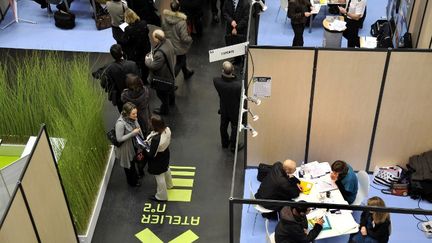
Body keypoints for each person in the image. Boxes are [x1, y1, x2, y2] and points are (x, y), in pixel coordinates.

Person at [145, 29, 177, 115]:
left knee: (162, 94)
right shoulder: (168, 42)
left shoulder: (159, 53)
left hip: (162, 76)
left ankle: (165, 110)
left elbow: (154, 66)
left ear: (157, 39)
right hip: (169, 72)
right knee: (169, 91)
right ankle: (172, 102)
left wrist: (147, 60)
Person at [213, 61, 241, 152]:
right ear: (233, 70)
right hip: (234, 110)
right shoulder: (238, 85)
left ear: (222, 71)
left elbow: (220, 78)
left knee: (223, 126)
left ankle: (224, 143)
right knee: (234, 127)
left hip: (224, 108)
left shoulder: (216, 81)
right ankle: (233, 146)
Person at [162, 1, 194, 79]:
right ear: (179, 8)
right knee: (180, 62)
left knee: (181, 59)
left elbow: (164, 31)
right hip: (179, 46)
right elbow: (184, 38)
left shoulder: (165, 19)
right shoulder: (182, 22)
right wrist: (190, 39)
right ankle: (170, 80)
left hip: (170, 44)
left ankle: (186, 73)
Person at [145, 115, 173, 202]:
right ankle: (169, 184)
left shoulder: (156, 139)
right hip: (165, 154)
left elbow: (151, 155)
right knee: (166, 168)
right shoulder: (167, 129)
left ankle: (161, 196)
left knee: (159, 177)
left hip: (157, 160)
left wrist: (144, 149)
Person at [115, 102, 144, 187]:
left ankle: (137, 175)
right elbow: (119, 139)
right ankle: (132, 182)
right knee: (129, 167)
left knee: (136, 160)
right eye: (133, 114)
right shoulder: (120, 124)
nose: (136, 115)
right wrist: (132, 133)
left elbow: (138, 128)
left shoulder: (133, 118)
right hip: (126, 148)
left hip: (134, 144)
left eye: (136, 113)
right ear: (127, 113)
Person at [105, 44, 140, 113]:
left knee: (124, 113)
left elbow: (109, 83)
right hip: (134, 95)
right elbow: (138, 78)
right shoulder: (132, 64)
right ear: (122, 52)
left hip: (120, 97)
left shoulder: (110, 68)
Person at [123, 9, 151, 81]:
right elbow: (147, 32)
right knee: (145, 66)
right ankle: (144, 79)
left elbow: (126, 41)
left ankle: (137, 80)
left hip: (135, 52)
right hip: (145, 49)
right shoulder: (144, 23)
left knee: (136, 67)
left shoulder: (128, 29)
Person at [223, 0, 249, 64]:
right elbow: (224, 12)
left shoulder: (245, 4)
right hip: (230, 28)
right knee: (233, 44)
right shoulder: (227, 1)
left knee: (241, 47)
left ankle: (243, 62)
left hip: (241, 30)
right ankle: (237, 59)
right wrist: (231, 21)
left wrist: (236, 28)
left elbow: (245, 19)